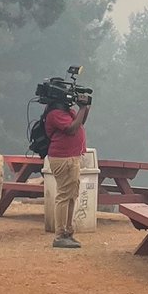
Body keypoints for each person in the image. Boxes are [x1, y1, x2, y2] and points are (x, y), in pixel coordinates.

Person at [45, 93, 90, 249]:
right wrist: (82, 107)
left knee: (72, 195)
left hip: (72, 157)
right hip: (62, 158)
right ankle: (60, 234)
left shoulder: (67, 111)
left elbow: (80, 122)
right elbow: (71, 129)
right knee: (64, 195)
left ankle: (68, 232)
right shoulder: (55, 113)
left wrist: (85, 107)